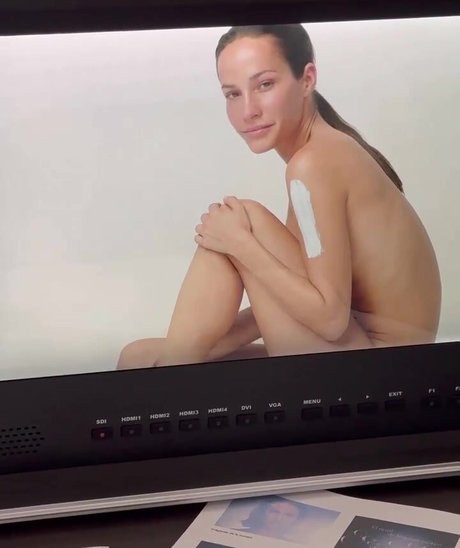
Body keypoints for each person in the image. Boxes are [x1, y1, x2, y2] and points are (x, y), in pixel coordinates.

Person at [117, 24, 441, 369]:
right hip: (356, 345)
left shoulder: (313, 164)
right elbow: (290, 295)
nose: (248, 110)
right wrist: (198, 350)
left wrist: (240, 244)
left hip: (382, 366)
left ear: (307, 79)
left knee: (244, 220)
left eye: (265, 85)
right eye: (233, 94)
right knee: (139, 356)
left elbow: (330, 318)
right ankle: (173, 368)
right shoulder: (322, 153)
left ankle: (169, 378)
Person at [233, 497, 306, 540]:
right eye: (275, 512)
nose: (279, 518)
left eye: (288, 515)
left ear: (296, 520)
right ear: (263, 512)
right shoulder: (235, 534)